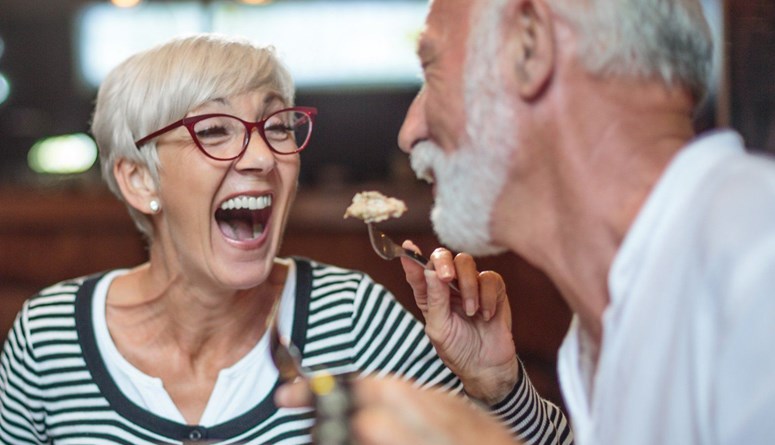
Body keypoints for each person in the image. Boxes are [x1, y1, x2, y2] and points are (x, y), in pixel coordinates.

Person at [0, 34, 571, 444]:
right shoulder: (50, 340)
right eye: (215, 130)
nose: (263, 156)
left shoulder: (352, 321)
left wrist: (498, 387)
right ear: (138, 178)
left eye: (277, 127)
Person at [274, 0, 775, 444]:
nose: (409, 132)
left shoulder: (757, 263)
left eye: (432, 70)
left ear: (529, 45)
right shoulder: (603, 322)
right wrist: (500, 391)